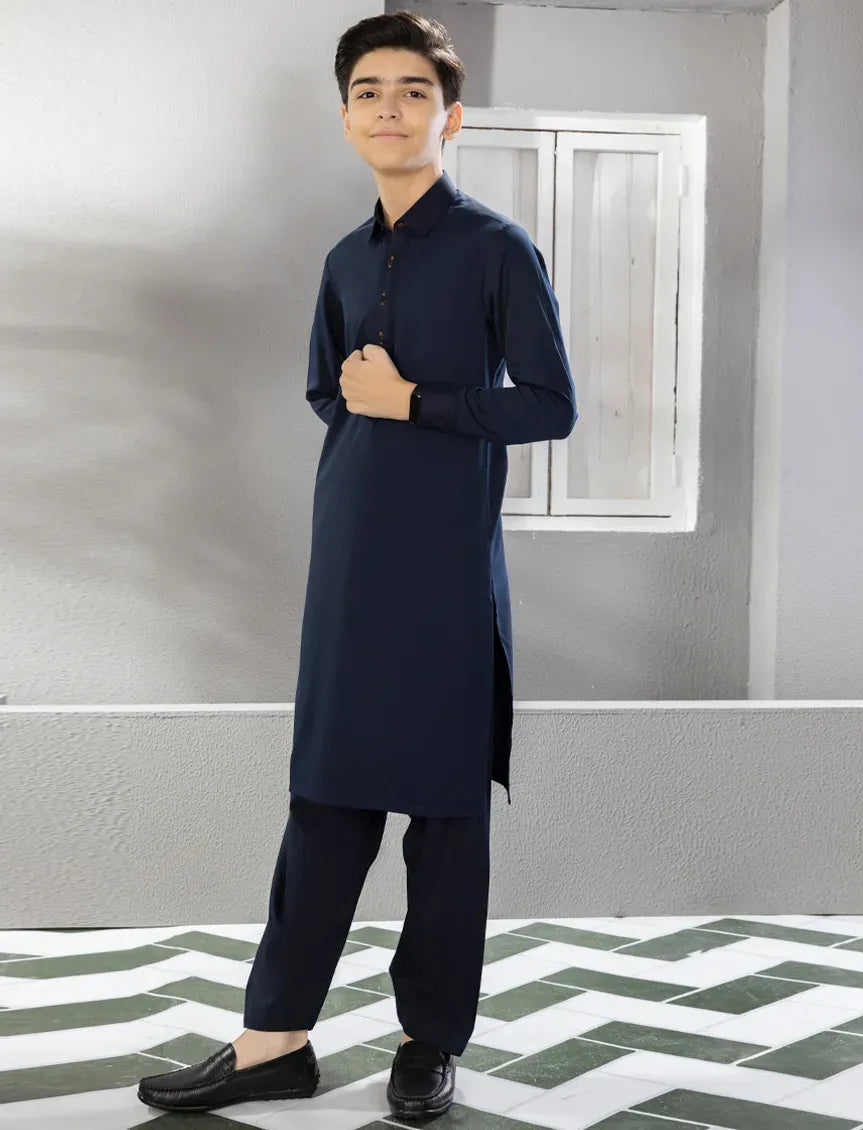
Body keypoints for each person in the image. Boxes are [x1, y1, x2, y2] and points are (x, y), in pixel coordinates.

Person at [138, 8, 576, 1120]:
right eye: (369, 92)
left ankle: (429, 1043)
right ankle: (272, 1039)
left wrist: (415, 401)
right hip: (348, 567)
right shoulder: (342, 259)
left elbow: (550, 405)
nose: (391, 108)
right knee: (324, 798)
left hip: (447, 575)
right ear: (345, 118)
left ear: (451, 116)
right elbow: (327, 389)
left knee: (445, 818)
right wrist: (376, 414)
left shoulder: (496, 247)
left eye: (414, 91)